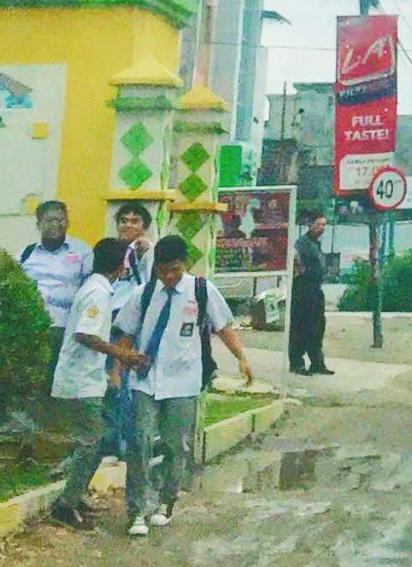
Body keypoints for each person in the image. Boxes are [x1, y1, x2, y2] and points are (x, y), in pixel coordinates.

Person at [116, 235, 255, 538]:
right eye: (162, 270)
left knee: (175, 445)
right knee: (139, 442)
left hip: (183, 381)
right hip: (146, 380)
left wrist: (241, 358)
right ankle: (138, 508)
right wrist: (119, 369)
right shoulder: (144, 293)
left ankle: (166, 501)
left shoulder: (202, 291)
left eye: (175, 270)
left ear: (185, 265)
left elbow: (224, 328)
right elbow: (125, 334)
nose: (168, 276)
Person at [46, 239, 147, 529]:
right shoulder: (97, 294)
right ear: (121, 265)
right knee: (91, 442)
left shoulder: (98, 289)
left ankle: (75, 497)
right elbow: (85, 335)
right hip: (80, 381)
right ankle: (64, 505)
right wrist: (122, 353)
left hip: (87, 379)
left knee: (97, 440)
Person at [100, 201, 155, 465]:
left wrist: (146, 250)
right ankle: (110, 440)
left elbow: (149, 281)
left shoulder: (143, 251)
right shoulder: (111, 250)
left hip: (129, 321)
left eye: (135, 221)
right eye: (124, 220)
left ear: (144, 226)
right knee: (107, 382)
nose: (128, 225)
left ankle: (120, 443)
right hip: (106, 318)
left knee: (120, 381)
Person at [17, 201, 91, 363]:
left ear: (68, 223)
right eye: (50, 220)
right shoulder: (26, 254)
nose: (56, 224)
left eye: (61, 220)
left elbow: (91, 288)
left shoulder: (82, 252)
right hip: (32, 327)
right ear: (39, 224)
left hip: (65, 328)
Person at [288, 210, 333, 376]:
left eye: (324, 225)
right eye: (319, 224)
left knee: (317, 328)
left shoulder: (316, 244)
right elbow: (296, 263)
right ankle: (296, 363)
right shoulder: (302, 244)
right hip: (302, 291)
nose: (322, 228)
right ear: (310, 225)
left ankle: (317, 363)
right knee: (300, 328)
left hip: (315, 290)